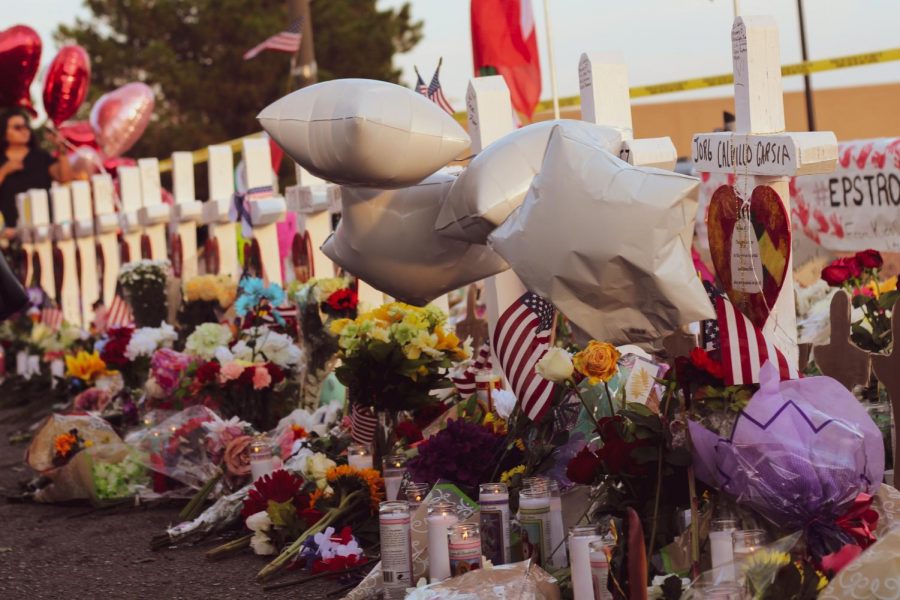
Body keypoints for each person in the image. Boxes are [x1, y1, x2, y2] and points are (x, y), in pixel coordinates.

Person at [0, 109, 72, 233]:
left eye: (26, 126)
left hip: (43, 229)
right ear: (4, 133)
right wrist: (5, 170)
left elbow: (64, 178)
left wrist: (62, 150)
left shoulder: (40, 156)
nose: (24, 131)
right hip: (10, 232)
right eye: (17, 127)